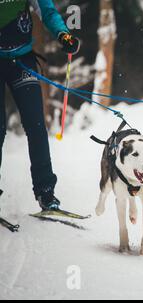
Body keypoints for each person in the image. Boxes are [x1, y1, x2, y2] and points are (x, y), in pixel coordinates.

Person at [0, 0, 80, 210]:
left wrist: (63, 34)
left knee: (36, 126)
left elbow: (47, 11)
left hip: (22, 59)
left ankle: (46, 193)